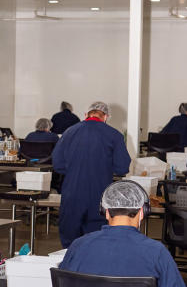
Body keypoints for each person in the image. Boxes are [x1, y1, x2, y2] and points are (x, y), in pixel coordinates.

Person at [52, 101, 131, 248]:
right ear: (106, 116)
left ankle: (70, 268)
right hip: (100, 193)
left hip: (72, 192)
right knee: (96, 239)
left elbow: (57, 164)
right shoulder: (114, 135)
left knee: (70, 240)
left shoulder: (69, 133)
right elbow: (122, 168)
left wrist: (75, 171)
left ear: (86, 114)